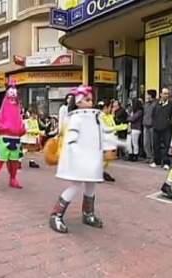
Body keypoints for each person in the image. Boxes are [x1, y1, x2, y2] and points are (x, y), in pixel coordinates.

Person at [49, 85, 104, 233]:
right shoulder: (76, 118)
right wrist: (77, 155)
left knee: (91, 185)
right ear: (78, 102)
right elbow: (71, 141)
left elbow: (99, 136)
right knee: (76, 185)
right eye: (87, 99)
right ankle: (56, 215)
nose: (91, 102)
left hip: (91, 157)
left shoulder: (94, 118)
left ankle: (88, 213)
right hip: (80, 159)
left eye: (91, 99)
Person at [0, 79, 26, 191]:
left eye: (14, 97)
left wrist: (21, 129)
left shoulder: (19, 112)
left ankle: (13, 178)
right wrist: (7, 128)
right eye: (10, 96)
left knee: (14, 162)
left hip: (15, 140)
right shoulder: (1, 112)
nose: (13, 99)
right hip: (3, 139)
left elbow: (21, 124)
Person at [98, 100, 128, 182]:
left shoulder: (110, 116)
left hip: (112, 138)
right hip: (105, 139)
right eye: (110, 107)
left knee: (109, 158)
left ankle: (101, 172)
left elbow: (113, 125)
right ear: (105, 107)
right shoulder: (100, 117)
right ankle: (97, 173)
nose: (111, 109)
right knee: (105, 157)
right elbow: (104, 129)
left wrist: (118, 127)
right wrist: (117, 128)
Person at [150, 88, 172, 170]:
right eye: (164, 93)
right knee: (156, 144)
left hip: (166, 128)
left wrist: (169, 123)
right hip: (157, 127)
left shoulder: (171, 104)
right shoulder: (157, 104)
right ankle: (157, 161)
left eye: (167, 93)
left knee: (166, 145)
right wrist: (154, 123)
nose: (166, 95)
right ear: (161, 94)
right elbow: (153, 115)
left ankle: (166, 163)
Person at [142, 90, 157, 163]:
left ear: (151, 95)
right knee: (146, 143)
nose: (146, 96)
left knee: (152, 142)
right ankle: (148, 156)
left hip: (152, 125)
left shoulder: (156, 104)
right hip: (145, 124)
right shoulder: (146, 104)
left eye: (148, 94)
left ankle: (153, 157)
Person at [57, 94, 72, 159]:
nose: (69, 99)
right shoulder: (63, 108)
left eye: (71, 98)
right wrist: (60, 129)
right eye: (68, 98)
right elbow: (61, 118)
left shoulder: (74, 108)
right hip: (65, 126)